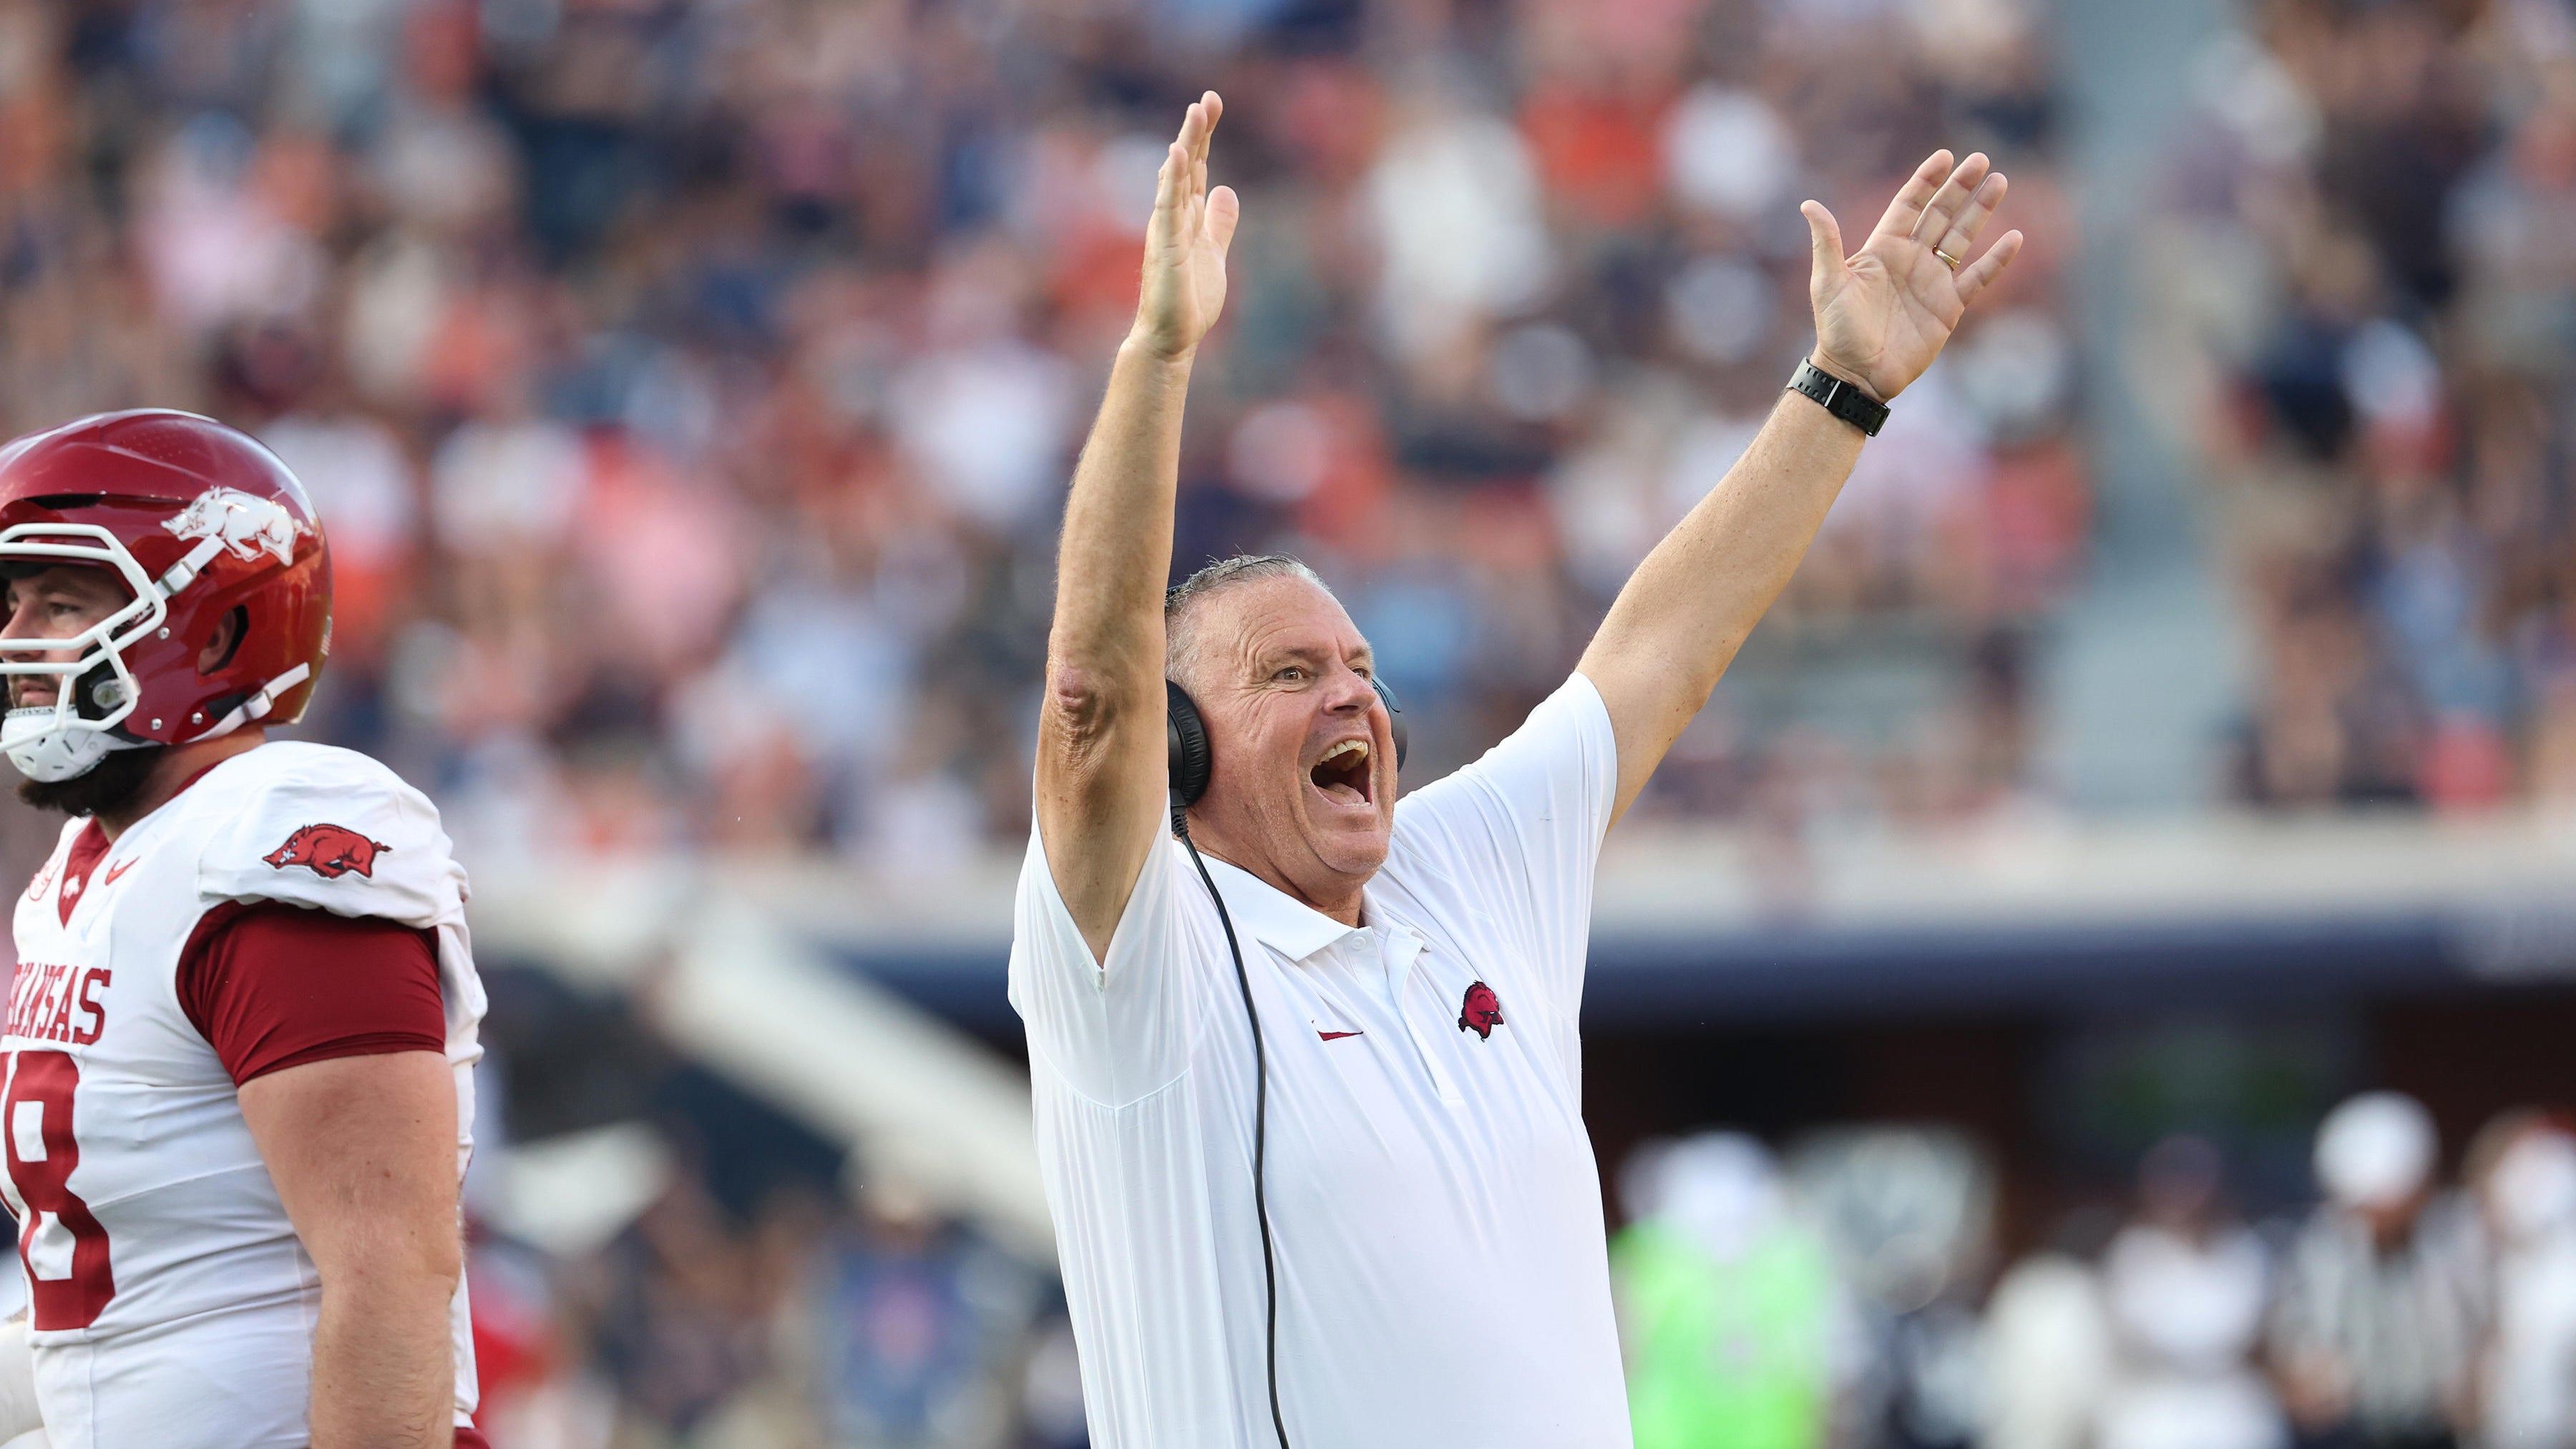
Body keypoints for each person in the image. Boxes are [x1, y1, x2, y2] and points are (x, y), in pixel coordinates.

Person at [1010, 91, 2022, 1447]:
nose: (1353, 695)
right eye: (1290, 673)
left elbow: (1658, 657)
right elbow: (1091, 702)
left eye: (1359, 666)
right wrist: (1158, 354)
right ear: (1180, 745)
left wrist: (1844, 392)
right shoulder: (1143, 963)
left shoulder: (1456, 876)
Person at [0, 410, 487, 1447]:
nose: (17, 637)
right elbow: (131, 1305)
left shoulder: (267, 840)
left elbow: (391, 1276)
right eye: (14, 602)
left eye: (64, 603)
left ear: (214, 633)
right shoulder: (89, 870)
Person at [2272, 1092, 2484, 1449]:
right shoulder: (2317, 1254)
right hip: (2349, 1432)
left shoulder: (2458, 1241)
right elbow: (2290, 1355)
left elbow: (2486, 1328)